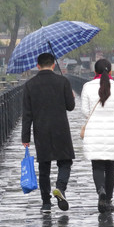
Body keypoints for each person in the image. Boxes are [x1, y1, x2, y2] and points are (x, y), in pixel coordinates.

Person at [22, 53, 76, 213]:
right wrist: (70, 94)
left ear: (37, 66)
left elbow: (27, 114)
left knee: (44, 166)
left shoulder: (30, 85)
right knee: (65, 162)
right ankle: (60, 187)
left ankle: (46, 202)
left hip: (41, 129)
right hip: (61, 129)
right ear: (53, 65)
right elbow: (70, 106)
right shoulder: (63, 81)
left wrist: (25, 137)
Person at [80, 59, 114, 213]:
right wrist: (111, 116)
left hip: (94, 130)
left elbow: (85, 111)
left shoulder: (87, 87)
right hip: (113, 130)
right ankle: (108, 199)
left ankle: (101, 190)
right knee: (110, 166)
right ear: (110, 71)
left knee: (97, 165)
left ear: (95, 72)